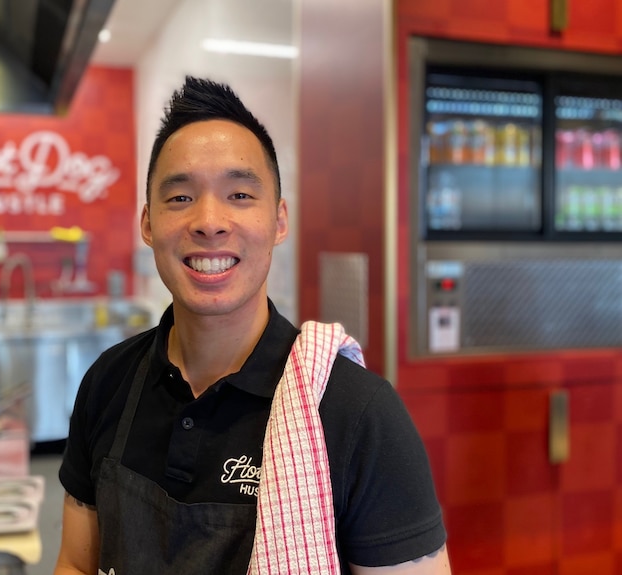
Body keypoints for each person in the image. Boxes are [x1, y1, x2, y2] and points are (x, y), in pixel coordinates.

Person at [54, 76, 450, 575]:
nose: (210, 221)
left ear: (279, 221)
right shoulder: (107, 383)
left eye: (240, 194)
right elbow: (74, 562)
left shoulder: (355, 413)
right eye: (180, 198)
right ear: (148, 223)